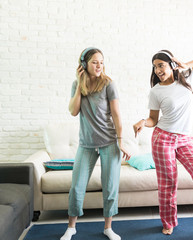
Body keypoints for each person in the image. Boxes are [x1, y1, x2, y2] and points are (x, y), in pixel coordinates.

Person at [133, 50, 193, 240]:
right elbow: (153, 119)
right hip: (162, 138)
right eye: (155, 67)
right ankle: (168, 223)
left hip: (184, 140)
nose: (157, 70)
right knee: (168, 183)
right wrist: (143, 122)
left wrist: (185, 63)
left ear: (171, 65)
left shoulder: (187, 78)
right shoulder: (156, 91)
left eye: (161, 65)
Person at [61, 47, 130, 240]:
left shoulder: (109, 84)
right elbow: (73, 111)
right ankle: (71, 227)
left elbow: (116, 116)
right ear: (84, 65)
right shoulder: (77, 85)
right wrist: (80, 82)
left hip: (109, 141)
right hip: (86, 144)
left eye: (101, 61)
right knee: (77, 186)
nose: (99, 65)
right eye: (94, 62)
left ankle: (108, 227)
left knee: (110, 186)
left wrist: (121, 141)